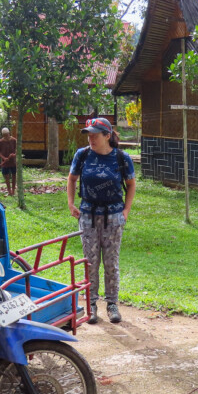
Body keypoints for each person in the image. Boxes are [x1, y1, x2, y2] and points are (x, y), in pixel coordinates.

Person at [66, 117, 135, 324]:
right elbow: (71, 179)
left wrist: (126, 211)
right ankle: (92, 304)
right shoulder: (83, 155)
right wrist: (71, 204)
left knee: (111, 262)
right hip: (87, 215)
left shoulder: (121, 158)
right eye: (89, 134)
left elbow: (131, 184)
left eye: (95, 134)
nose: (91, 138)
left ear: (107, 136)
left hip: (113, 217)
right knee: (90, 262)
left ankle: (112, 304)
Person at [0, 126, 17, 196]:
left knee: (14, 175)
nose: (6, 136)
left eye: (7, 135)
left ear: (9, 133)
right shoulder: (1, 142)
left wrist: (14, 155)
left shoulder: (14, 140)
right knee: (6, 176)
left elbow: (17, 150)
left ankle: (13, 190)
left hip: (13, 162)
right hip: (5, 162)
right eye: (4, 135)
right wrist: (4, 158)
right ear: (3, 135)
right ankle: (9, 191)